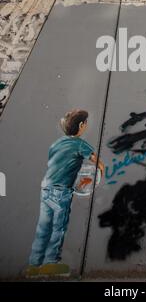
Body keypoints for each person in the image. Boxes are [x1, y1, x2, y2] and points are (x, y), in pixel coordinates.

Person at [25, 109, 104, 277]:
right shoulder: (80, 144)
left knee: (43, 227)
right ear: (81, 125)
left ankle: (33, 265)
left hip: (46, 188)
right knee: (58, 227)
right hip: (62, 191)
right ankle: (51, 263)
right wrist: (99, 177)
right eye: (86, 123)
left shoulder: (56, 144)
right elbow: (98, 163)